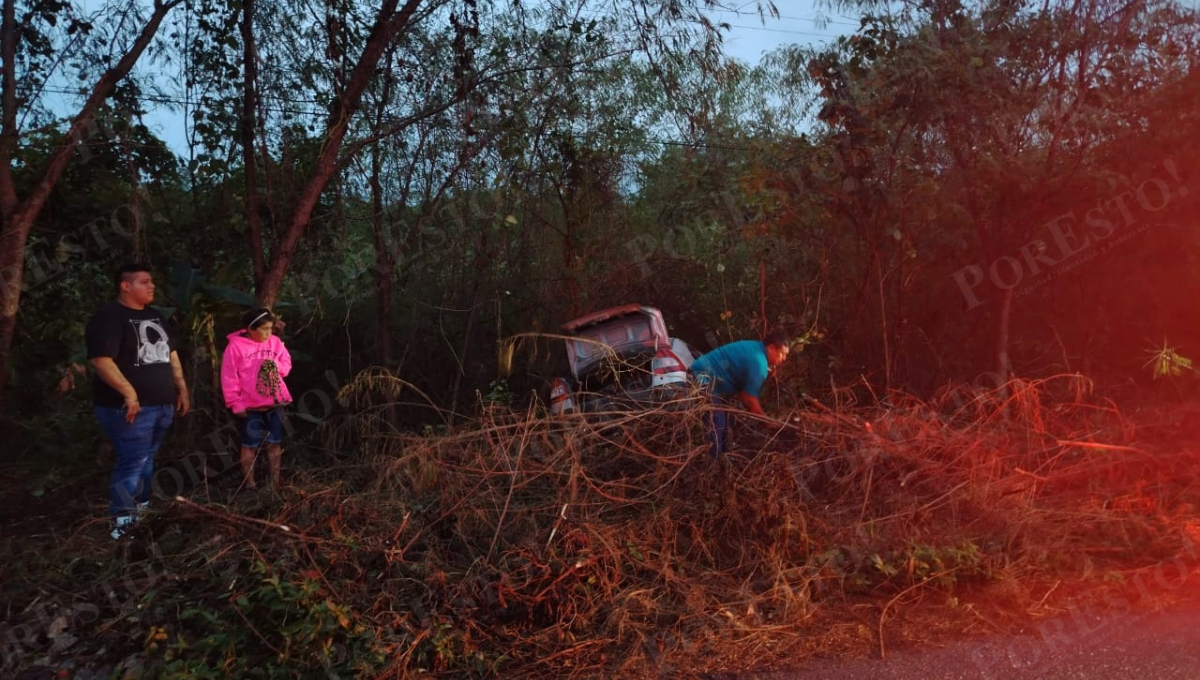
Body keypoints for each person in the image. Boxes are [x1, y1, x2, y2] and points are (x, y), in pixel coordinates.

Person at [86, 263, 191, 539]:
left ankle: (141, 511)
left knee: (146, 459)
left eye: (151, 281)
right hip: (128, 408)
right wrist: (129, 393)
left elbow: (171, 354)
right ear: (125, 286)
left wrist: (181, 388)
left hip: (162, 405)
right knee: (132, 461)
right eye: (144, 282)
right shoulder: (109, 317)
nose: (151, 286)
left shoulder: (156, 315)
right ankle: (122, 522)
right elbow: (101, 360)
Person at [221, 307, 293, 491]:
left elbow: (286, 366)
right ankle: (250, 485)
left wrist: (275, 365)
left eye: (270, 328)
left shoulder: (275, 343)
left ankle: (274, 483)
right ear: (250, 329)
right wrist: (235, 403)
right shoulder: (235, 347)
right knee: (249, 445)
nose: (268, 333)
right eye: (264, 329)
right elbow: (229, 377)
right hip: (250, 406)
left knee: (274, 443)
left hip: (275, 402)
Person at [689, 329, 791, 457]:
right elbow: (748, 398)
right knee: (717, 424)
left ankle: (721, 459)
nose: (784, 359)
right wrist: (766, 421)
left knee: (726, 423)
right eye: (782, 354)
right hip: (702, 380)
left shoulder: (756, 348)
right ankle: (712, 464)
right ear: (771, 348)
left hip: (706, 378)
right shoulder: (759, 363)